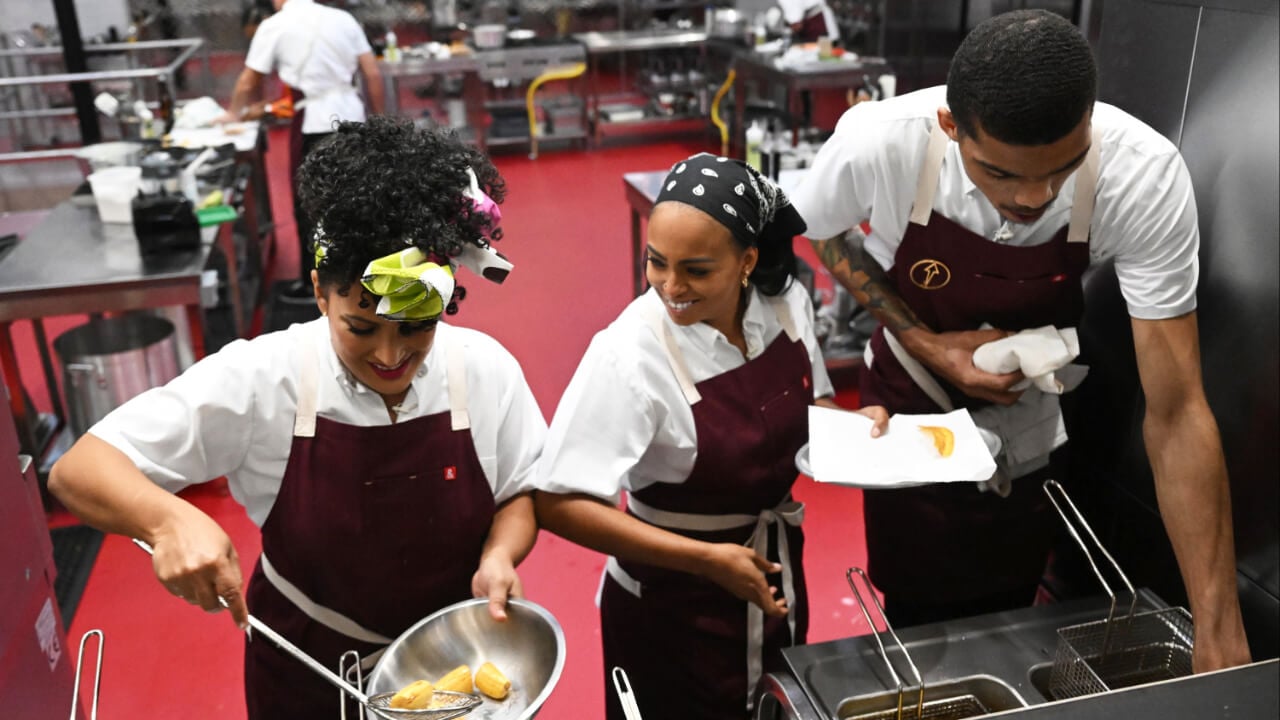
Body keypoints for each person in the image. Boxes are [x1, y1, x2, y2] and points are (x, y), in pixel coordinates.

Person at [791, 9, 1251, 671]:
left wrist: (1218, 625)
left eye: (1060, 170)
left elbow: (1177, 412)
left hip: (1028, 412)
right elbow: (822, 230)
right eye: (1000, 175)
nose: (1032, 197)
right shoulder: (882, 142)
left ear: (1089, 125)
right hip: (910, 406)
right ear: (951, 128)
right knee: (915, 618)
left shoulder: (1142, 175)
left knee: (1014, 607)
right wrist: (927, 343)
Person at [48, 117, 545, 719]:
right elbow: (79, 470)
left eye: (417, 327)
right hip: (309, 675)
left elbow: (520, 491)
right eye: (361, 328)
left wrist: (499, 555)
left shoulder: (483, 370)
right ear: (318, 291)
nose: (391, 356)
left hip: (453, 669)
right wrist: (167, 520)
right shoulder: (266, 378)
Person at [534, 153, 889, 720]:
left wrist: (857, 427)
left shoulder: (785, 305)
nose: (671, 287)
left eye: (697, 270)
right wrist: (706, 560)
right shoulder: (631, 353)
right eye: (656, 263)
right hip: (669, 604)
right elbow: (557, 503)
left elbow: (813, 401)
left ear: (747, 260)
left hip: (770, 574)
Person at [222, 0, 385, 297]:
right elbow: (371, 73)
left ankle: (316, 283)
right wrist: (379, 120)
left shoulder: (275, 25)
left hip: (313, 123)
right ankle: (366, 273)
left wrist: (232, 115)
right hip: (352, 116)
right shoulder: (343, 19)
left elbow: (249, 80)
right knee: (357, 197)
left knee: (310, 204)